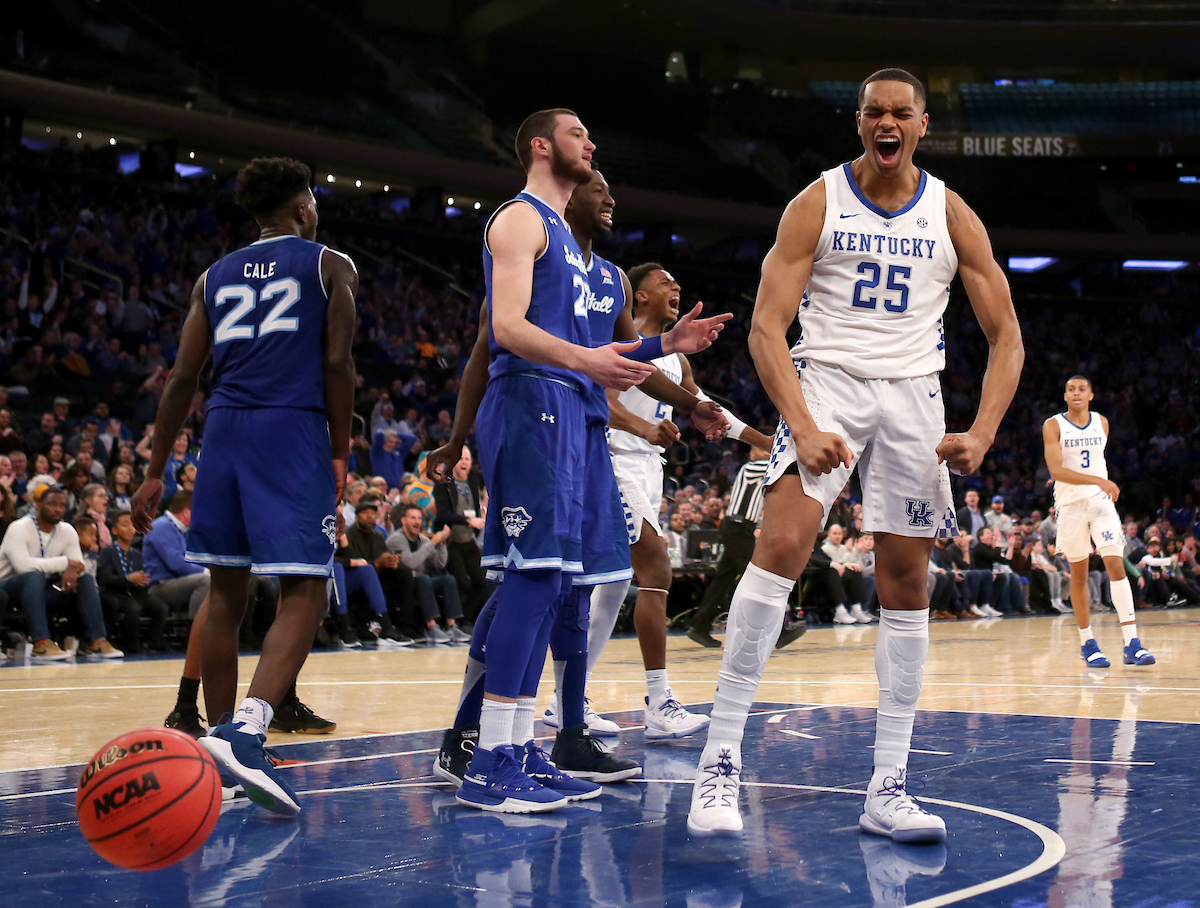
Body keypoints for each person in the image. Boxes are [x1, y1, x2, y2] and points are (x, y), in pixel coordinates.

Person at [686, 68, 1023, 841]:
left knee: (907, 582)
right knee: (780, 547)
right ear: (860, 122)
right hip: (827, 379)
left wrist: (982, 431)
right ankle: (720, 760)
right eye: (875, 110)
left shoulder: (952, 214)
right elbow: (767, 327)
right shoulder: (817, 201)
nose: (888, 121)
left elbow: (1007, 337)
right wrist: (800, 424)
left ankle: (889, 784)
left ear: (923, 125)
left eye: (902, 112)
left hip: (914, 394)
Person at [428, 164, 726, 788]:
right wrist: (458, 437)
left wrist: (686, 384)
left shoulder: (612, 278)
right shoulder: (533, 248)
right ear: (569, 199)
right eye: (597, 187)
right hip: (539, 418)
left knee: (578, 587)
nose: (609, 195)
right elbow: (490, 343)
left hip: (586, 431)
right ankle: (471, 733)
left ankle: (566, 734)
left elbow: (632, 358)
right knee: (528, 580)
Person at [446, 108, 664, 813]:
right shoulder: (518, 220)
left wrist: (666, 347)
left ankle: (518, 747)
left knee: (557, 589)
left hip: (569, 410)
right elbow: (505, 329)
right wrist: (587, 361)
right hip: (531, 403)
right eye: (578, 134)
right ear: (541, 146)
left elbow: (594, 347)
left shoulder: (574, 249)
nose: (592, 143)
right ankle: (489, 759)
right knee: (533, 581)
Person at [132, 156, 355, 815]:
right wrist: (341, 450)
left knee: (225, 592)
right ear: (304, 209)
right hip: (290, 429)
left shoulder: (213, 274)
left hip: (222, 430)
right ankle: (248, 732)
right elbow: (337, 362)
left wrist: (154, 469)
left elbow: (180, 377)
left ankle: (223, 756)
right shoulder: (328, 263)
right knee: (307, 590)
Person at [597, 261, 772, 739]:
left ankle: (568, 700)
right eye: (664, 281)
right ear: (640, 296)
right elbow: (599, 398)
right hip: (611, 460)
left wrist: (770, 441)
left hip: (648, 467)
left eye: (678, 279)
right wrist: (644, 426)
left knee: (613, 585)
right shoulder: (622, 341)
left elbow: (709, 410)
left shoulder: (677, 361)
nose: (676, 284)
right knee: (656, 571)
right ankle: (659, 701)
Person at [1042, 376, 1155, 668]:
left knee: (1116, 565)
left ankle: (1132, 642)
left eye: (1081, 389)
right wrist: (1097, 480)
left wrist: (1098, 485)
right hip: (1070, 505)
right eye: (1070, 389)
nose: (1076, 393)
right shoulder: (1053, 425)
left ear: (1091, 394)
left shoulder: (1102, 422)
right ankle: (1087, 642)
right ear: (1065, 395)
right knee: (1079, 575)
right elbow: (1056, 469)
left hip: (1101, 503)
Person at [688, 446, 804, 648]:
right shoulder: (750, 468)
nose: (769, 452)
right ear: (754, 451)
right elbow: (784, 467)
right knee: (763, 578)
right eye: (764, 448)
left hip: (740, 529)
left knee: (722, 582)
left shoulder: (760, 472)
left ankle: (699, 626)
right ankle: (779, 632)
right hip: (737, 528)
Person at [0, 484, 123, 659]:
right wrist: (66, 563)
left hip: (40, 589)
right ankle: (41, 643)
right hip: (8, 588)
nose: (58, 509)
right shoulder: (19, 527)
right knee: (32, 576)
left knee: (85, 580)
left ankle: (97, 641)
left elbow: (79, 564)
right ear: (38, 505)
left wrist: (72, 568)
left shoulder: (67, 530)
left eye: (61, 505)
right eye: (52, 504)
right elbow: (23, 567)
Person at [388, 503, 469, 643]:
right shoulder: (396, 539)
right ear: (403, 520)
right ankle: (431, 627)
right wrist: (433, 542)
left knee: (447, 579)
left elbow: (440, 563)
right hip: (400, 584)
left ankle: (452, 626)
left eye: (419, 518)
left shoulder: (423, 540)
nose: (417, 521)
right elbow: (410, 563)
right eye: (413, 518)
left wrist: (442, 543)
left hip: (420, 582)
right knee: (423, 578)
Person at [97, 510, 168, 653]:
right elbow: (103, 579)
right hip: (114, 592)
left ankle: (152, 643)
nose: (130, 529)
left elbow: (140, 578)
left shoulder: (137, 554)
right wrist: (127, 579)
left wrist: (141, 582)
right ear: (115, 530)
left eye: (133, 525)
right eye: (125, 525)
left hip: (133, 590)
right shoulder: (108, 552)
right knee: (133, 608)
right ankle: (131, 645)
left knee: (160, 607)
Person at [433, 446, 488, 621]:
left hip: (469, 539)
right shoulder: (443, 483)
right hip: (450, 542)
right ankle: (458, 621)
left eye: (467, 459)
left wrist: (479, 517)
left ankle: (471, 621)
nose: (464, 462)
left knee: (483, 580)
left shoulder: (474, 478)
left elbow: (475, 503)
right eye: (461, 458)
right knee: (463, 582)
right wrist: (468, 521)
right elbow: (443, 513)